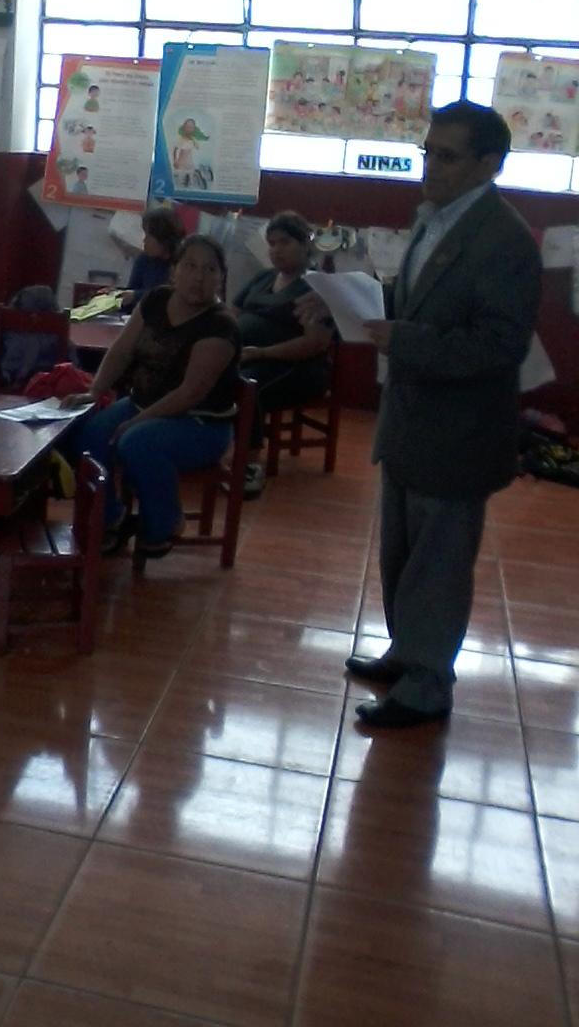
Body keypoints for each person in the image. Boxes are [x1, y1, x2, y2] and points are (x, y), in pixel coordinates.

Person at [300, 101, 541, 728]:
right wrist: (346, 305)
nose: (430, 166)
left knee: (439, 563)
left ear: (489, 164)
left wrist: (403, 339)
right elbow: (418, 303)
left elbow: (499, 345)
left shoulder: (505, 239)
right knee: (402, 554)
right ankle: (408, 653)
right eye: (427, 152)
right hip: (410, 419)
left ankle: (428, 685)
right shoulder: (434, 218)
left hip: (459, 432)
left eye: (447, 156)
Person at [62, 234, 241, 559]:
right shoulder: (157, 299)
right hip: (140, 405)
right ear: (174, 271)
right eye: (190, 266)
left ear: (221, 278)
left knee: (137, 442)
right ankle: (110, 518)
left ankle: (166, 523)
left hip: (200, 424)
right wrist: (94, 391)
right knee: (87, 432)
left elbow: (190, 393)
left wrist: (137, 421)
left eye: (210, 269)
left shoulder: (220, 325)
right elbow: (122, 350)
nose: (199, 277)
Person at [232, 211, 333, 495]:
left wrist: (261, 353)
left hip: (298, 367)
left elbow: (315, 343)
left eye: (285, 242)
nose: (276, 250)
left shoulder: (316, 287)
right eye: (272, 243)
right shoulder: (263, 278)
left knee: (246, 385)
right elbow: (231, 314)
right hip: (250, 356)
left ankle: (251, 464)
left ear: (305, 244)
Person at [119, 205, 185, 312]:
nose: (144, 240)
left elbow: (172, 297)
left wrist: (136, 296)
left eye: (148, 236)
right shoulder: (143, 260)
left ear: (163, 239)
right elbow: (130, 294)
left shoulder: (182, 263)